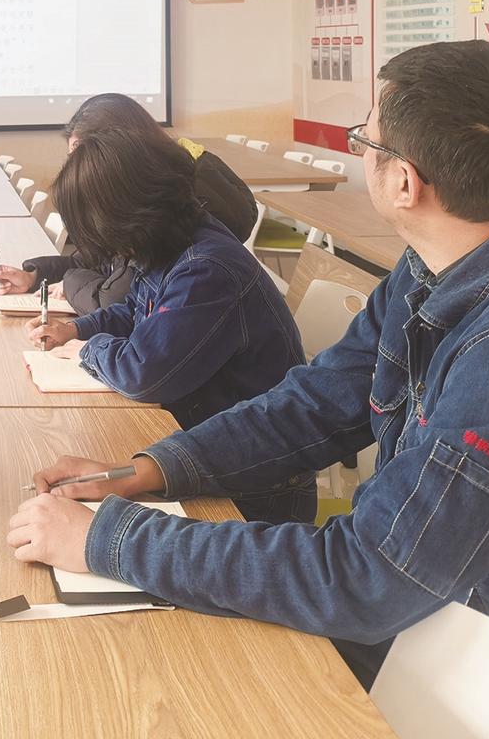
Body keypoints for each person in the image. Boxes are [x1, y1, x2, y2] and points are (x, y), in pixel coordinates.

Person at [7, 41, 489, 738]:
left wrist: (111, 540)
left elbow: (368, 576)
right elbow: (313, 406)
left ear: (404, 183)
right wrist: (150, 469)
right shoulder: (445, 264)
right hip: (448, 615)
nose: (359, 148)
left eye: (365, 137)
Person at [23, 125, 313, 524]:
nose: (106, 251)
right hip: (204, 451)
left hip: (254, 494)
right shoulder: (173, 242)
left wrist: (89, 348)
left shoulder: (206, 271)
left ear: (127, 215)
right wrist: (77, 329)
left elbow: (143, 373)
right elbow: (136, 311)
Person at [0, 94, 257, 312]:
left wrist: (69, 283)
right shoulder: (162, 180)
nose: (78, 169)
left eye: (83, 156)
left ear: (117, 151)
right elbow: (103, 258)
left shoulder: (166, 205)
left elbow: (114, 300)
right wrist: (36, 276)